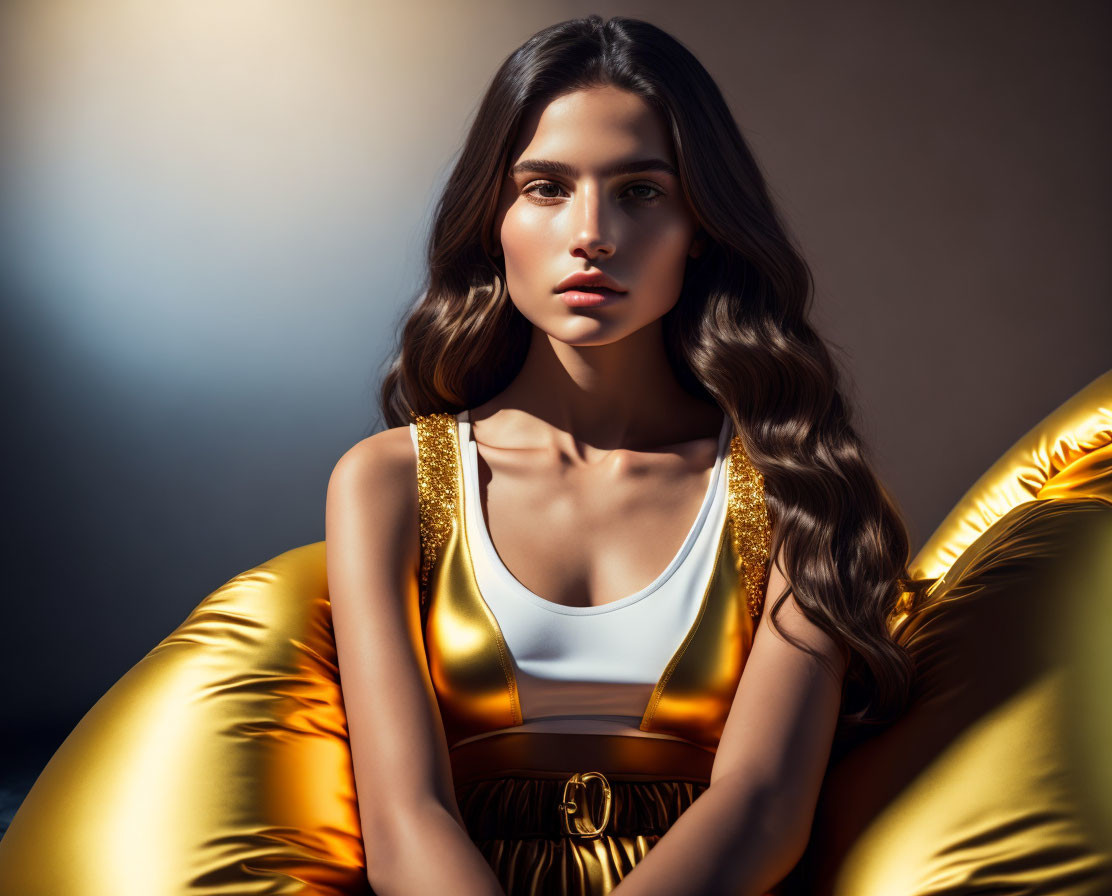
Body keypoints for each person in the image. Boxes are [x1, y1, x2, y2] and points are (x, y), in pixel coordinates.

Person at [325, 14, 924, 896]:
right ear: (492, 217)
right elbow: (404, 813)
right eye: (546, 187)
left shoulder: (800, 490)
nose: (592, 233)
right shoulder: (388, 483)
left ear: (704, 227)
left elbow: (760, 807)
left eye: (641, 191)